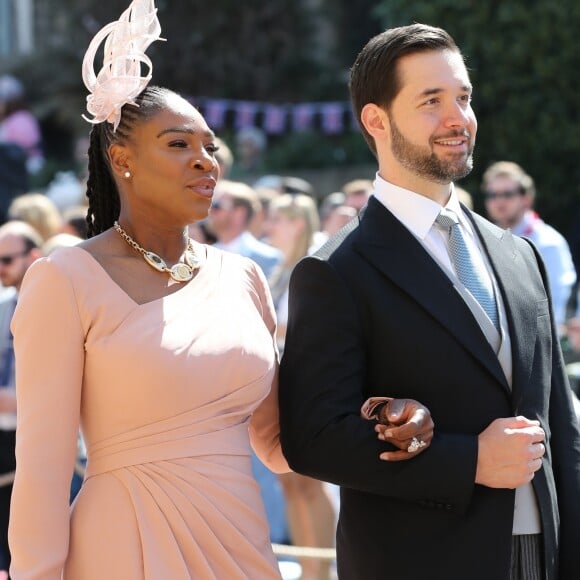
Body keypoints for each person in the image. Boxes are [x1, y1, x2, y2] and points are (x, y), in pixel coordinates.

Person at [7, 5, 433, 578]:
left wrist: (381, 413)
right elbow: (42, 469)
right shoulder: (63, 279)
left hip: (242, 547)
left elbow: (283, 440)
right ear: (121, 159)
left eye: (210, 147)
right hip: (123, 549)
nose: (205, 161)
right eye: (179, 145)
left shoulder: (243, 277)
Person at [279, 23, 580, 580]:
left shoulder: (518, 254)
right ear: (376, 120)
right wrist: (469, 462)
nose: (457, 118)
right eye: (431, 100)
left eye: (463, 98)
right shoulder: (334, 271)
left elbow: (560, 425)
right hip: (422, 560)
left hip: (545, 557)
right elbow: (314, 439)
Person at [266, 193, 335, 579]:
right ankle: (310, 569)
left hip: (308, 387)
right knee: (289, 484)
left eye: (277, 219)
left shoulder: (315, 261)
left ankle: (321, 571)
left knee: (310, 483)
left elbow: (312, 328)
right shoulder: (282, 268)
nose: (269, 226)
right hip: (281, 386)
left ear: (296, 222)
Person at [482, 161, 576, 331]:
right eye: (492, 195)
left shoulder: (548, 243)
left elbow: (555, 308)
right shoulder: (481, 237)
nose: (499, 201)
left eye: (507, 194)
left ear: (526, 199)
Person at [0, 221, 43, 574]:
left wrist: (21, 402)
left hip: (37, 435)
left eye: (7, 259)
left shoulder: (51, 302)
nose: (0, 267)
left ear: (33, 256)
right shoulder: (2, 305)